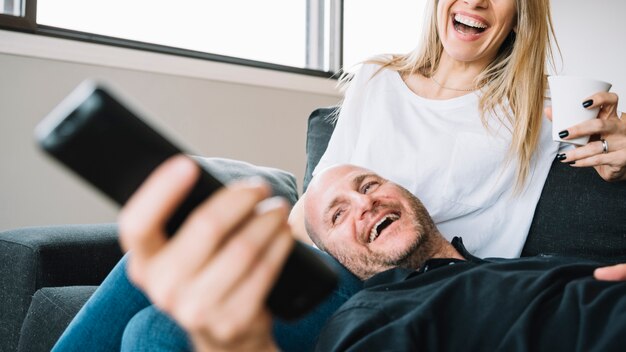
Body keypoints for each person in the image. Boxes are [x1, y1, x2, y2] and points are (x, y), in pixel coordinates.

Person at [53, 0, 626, 350]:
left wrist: (619, 154)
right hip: (330, 259)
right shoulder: (378, 80)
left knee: (157, 333)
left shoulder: (539, 105)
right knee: (162, 248)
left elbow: (600, 155)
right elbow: (317, 203)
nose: (475, 0)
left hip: (413, 286)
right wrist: (247, 238)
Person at [119, 159, 626, 351]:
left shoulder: (534, 260)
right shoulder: (370, 317)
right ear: (332, 255)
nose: (365, 203)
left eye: (370, 184)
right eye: (337, 216)